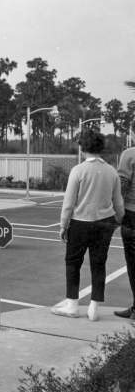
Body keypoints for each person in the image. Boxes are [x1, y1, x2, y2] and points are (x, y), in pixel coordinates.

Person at [51, 129, 124, 321]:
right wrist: (119, 219)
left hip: (80, 223)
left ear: (82, 148)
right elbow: (118, 202)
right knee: (99, 264)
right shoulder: (112, 171)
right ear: (101, 147)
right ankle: (94, 307)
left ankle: (72, 305)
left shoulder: (78, 170)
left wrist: (63, 225)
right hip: (105, 223)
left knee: (73, 263)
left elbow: (69, 203)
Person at [114, 140, 135, 319]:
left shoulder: (129, 154)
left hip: (132, 215)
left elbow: (122, 187)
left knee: (133, 263)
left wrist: (116, 216)